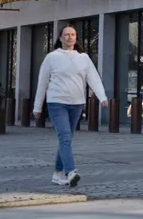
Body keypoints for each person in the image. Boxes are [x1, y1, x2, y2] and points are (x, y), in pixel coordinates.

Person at [33, 24, 109, 187]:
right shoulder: (52, 58)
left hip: (77, 104)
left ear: (76, 38)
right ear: (60, 38)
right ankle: (71, 172)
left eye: (73, 34)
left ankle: (57, 173)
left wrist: (102, 96)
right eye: (66, 34)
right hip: (56, 103)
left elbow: (93, 78)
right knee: (65, 137)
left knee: (66, 140)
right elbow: (42, 83)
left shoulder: (83, 58)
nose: (70, 37)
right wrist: (37, 107)